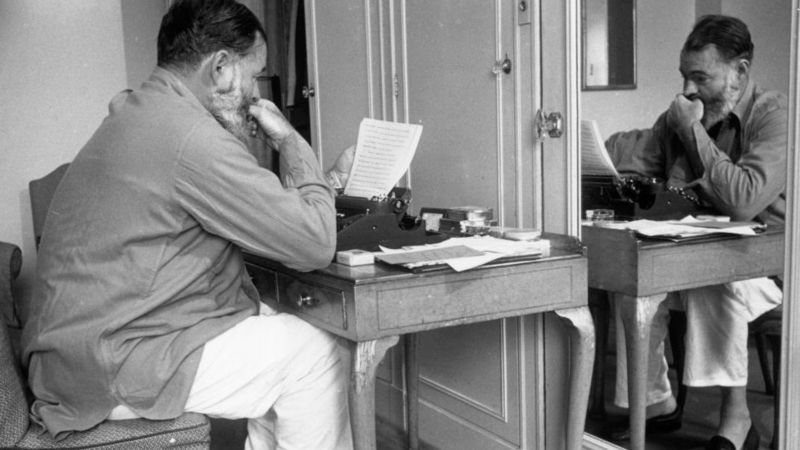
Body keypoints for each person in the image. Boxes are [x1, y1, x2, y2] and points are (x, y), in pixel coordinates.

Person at [21, 0, 355, 448]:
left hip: (73, 356)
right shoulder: (192, 135)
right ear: (221, 68)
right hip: (110, 364)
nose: (254, 94)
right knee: (317, 352)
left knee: (277, 333)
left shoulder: (139, 110)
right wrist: (289, 140)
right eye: (253, 76)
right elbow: (315, 243)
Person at [604, 14, 786, 450]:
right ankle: (657, 403)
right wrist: (591, 152)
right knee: (630, 279)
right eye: (684, 76)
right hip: (698, 251)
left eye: (700, 78)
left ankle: (736, 419)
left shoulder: (774, 115)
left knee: (711, 279)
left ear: (739, 72)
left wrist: (691, 132)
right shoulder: (683, 112)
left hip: (769, 265)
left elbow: (743, 198)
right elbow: (634, 154)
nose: (687, 90)